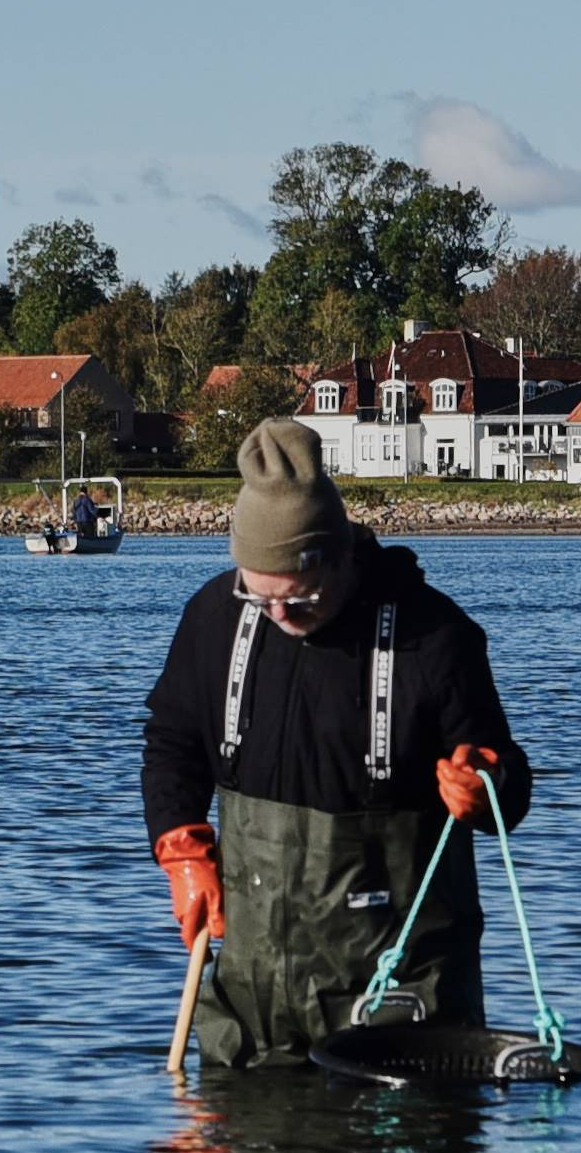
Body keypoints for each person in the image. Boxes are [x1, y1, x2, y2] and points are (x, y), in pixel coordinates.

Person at [144, 421, 524, 1067]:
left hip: (405, 1025)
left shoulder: (436, 639)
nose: (281, 617)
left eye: (299, 597)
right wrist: (181, 846)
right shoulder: (212, 620)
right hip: (253, 1020)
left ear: (339, 554)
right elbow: (172, 742)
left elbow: (509, 784)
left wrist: (485, 783)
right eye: (259, 597)